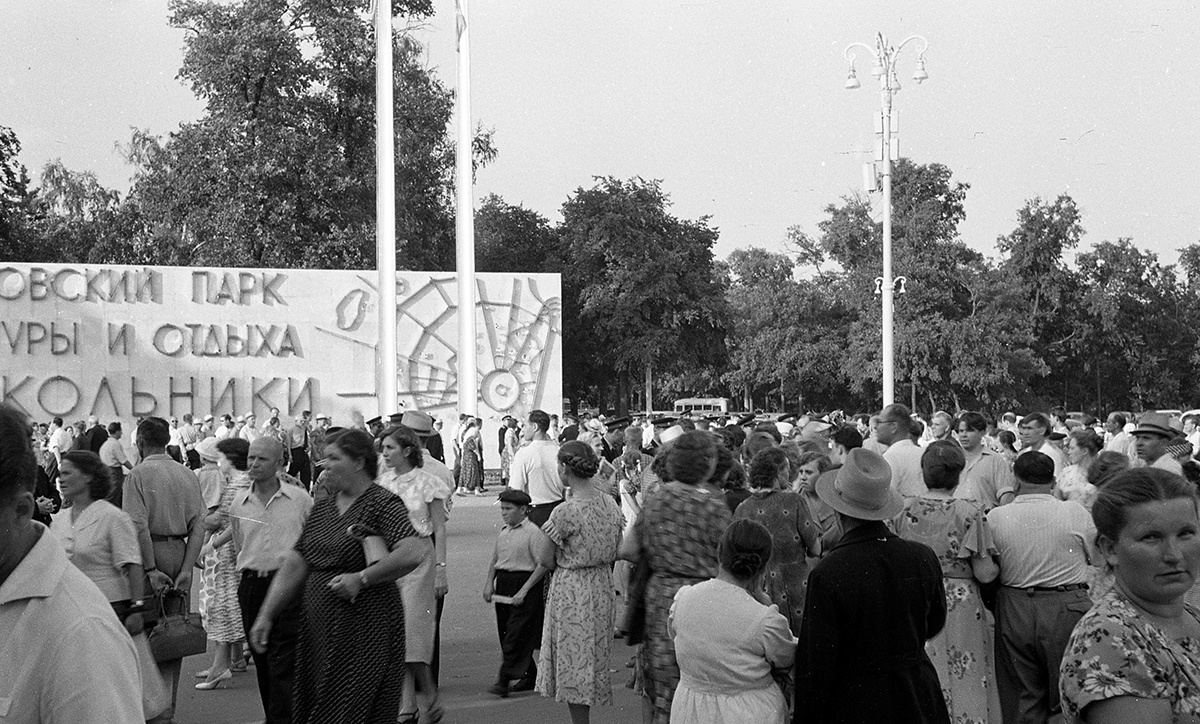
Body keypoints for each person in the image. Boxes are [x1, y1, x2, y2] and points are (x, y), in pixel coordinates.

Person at [248, 429, 430, 724]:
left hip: (365, 626)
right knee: (319, 701)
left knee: (347, 706)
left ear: (359, 462)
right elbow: (298, 560)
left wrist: (362, 578)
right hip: (319, 629)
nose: (325, 464)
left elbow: (412, 551)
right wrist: (266, 614)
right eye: (324, 458)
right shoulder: (323, 508)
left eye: (334, 458)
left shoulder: (381, 503)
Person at [0, 403, 144, 723]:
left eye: (68, 474)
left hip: (115, 603)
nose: (61, 480)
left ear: (21, 512)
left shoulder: (80, 635)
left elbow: (132, 562)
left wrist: (136, 607)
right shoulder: (62, 519)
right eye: (60, 473)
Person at [796, 447, 949, 724]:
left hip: (856, 699)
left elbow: (816, 663)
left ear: (837, 511)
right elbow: (934, 624)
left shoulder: (829, 572)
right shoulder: (922, 557)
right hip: (916, 692)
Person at [1059, 468, 1200, 724]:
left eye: (1185, 534)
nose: (1175, 555)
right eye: (1151, 537)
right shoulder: (1110, 640)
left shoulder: (1188, 615)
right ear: (1109, 549)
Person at [625, 431, 733, 724]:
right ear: (709, 467)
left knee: (664, 684)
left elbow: (628, 550)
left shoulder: (656, 501)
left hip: (661, 597)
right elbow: (730, 558)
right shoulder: (714, 507)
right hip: (704, 598)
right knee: (701, 684)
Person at [205, 437, 313, 723]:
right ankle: (274, 716)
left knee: (285, 660)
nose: (253, 464)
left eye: (261, 459)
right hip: (252, 586)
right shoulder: (239, 503)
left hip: (290, 586)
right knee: (262, 656)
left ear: (279, 463)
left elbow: (310, 543)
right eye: (251, 458)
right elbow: (241, 544)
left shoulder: (300, 500)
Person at [893, 441, 1001, 724]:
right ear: (958, 474)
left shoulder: (903, 509)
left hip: (912, 597)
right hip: (959, 601)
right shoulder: (969, 512)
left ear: (923, 472)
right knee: (965, 671)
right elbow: (984, 573)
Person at [987, 451, 1095, 724]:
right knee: (1069, 691)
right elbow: (1097, 557)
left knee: (1023, 693)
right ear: (1053, 479)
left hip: (1015, 605)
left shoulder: (997, 517)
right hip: (1067, 604)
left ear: (1016, 479)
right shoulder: (1075, 512)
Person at [669, 519, 797, 724]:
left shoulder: (684, 599)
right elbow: (785, 657)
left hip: (691, 708)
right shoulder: (764, 619)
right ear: (763, 567)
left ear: (720, 554)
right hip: (749, 712)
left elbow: (678, 638)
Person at [123, 415, 206, 723]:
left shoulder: (138, 475)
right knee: (174, 631)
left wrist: (150, 567)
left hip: (153, 551)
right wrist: (187, 568)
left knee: (146, 635)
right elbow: (199, 525)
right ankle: (167, 708)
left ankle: (150, 711)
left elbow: (138, 525)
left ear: (141, 443)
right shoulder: (187, 474)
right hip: (181, 551)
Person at [535, 440, 625, 724]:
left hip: (573, 587)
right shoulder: (609, 502)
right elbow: (618, 546)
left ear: (564, 469)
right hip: (601, 585)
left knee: (573, 659)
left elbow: (545, 559)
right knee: (592, 656)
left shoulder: (565, 511)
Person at [378, 425, 452, 722]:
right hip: (390, 560)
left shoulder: (428, 483)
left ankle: (427, 695)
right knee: (395, 633)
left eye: (389, 448)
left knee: (413, 631)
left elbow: (440, 528)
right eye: (382, 448)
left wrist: (441, 570)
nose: (384, 454)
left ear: (408, 450)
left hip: (420, 560)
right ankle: (408, 704)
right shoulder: (381, 484)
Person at [734, 447, 821, 636]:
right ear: (778, 472)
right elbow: (815, 548)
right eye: (787, 470)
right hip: (797, 584)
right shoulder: (794, 501)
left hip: (757, 588)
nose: (790, 474)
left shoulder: (743, 508)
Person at [194, 436, 254, 689]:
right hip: (235, 552)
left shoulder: (238, 484)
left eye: (221, 457)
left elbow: (229, 520)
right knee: (227, 604)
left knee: (222, 606)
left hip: (229, 555)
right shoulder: (242, 482)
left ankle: (220, 666)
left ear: (230, 459)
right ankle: (230, 660)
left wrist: (209, 543)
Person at [485, 489, 552, 697]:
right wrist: (489, 583)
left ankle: (503, 680)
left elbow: (542, 565)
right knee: (506, 632)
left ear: (523, 510)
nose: (504, 513)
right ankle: (530, 675)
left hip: (525, 585)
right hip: (504, 584)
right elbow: (495, 560)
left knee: (514, 635)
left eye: (508, 509)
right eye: (502, 509)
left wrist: (524, 590)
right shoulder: (504, 532)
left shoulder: (533, 533)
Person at [510, 409, 566, 526]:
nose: (522, 429)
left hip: (536, 512)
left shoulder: (524, 453)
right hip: (560, 509)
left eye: (525, 425)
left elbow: (516, 490)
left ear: (535, 427)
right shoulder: (559, 450)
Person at [955, 411, 1016, 509]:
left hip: (985, 519)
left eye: (969, 431)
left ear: (982, 432)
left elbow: (1006, 495)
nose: (963, 435)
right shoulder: (952, 459)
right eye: (961, 431)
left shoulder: (995, 460)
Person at [878, 403, 928, 497]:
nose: (877, 427)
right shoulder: (925, 454)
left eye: (880, 422)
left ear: (894, 426)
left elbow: (886, 498)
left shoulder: (890, 458)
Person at [1058, 427, 1104, 509]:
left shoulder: (1103, 473)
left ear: (1084, 451)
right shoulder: (1066, 473)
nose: (1069, 452)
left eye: (1072, 448)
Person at [1132, 411, 1185, 475]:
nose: (1139, 443)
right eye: (1137, 437)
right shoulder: (1144, 464)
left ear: (1163, 443)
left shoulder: (1168, 469)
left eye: (1146, 438)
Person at [1018, 412, 1067, 477]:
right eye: (1024, 429)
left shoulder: (1052, 453)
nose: (1025, 433)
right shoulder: (1024, 453)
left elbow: (1056, 481)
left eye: (1029, 429)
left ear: (1042, 431)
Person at [99, 421, 133, 508]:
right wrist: (133, 469)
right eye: (120, 431)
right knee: (113, 495)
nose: (121, 433)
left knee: (115, 495)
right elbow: (123, 460)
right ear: (117, 431)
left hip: (105, 470)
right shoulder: (115, 444)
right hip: (114, 472)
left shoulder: (105, 444)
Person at [456, 417, 485, 496]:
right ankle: (476, 489)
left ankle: (461, 488)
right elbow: (472, 442)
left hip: (465, 452)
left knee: (464, 470)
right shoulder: (475, 430)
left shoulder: (467, 430)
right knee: (474, 470)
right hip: (470, 453)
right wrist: (478, 454)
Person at [286, 414, 313, 488]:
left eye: (303, 421)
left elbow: (307, 440)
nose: (302, 422)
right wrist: (290, 455)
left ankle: (306, 491)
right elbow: (289, 444)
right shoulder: (291, 430)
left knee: (306, 473)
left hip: (303, 451)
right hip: (295, 451)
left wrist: (308, 447)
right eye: (300, 421)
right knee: (293, 472)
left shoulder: (305, 429)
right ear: (296, 421)